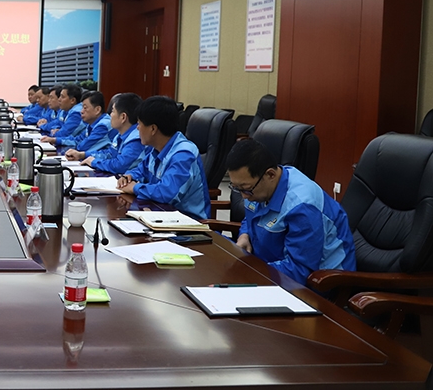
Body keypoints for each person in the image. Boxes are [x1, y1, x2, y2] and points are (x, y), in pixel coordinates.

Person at [226, 139, 356, 285]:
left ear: (270, 175)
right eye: (237, 188)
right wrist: (244, 235)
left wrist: (251, 271)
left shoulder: (302, 207)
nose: (243, 196)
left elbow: (300, 271)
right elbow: (253, 217)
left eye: (245, 189)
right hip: (270, 266)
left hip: (318, 285)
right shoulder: (257, 187)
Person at [117, 95, 210, 219]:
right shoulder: (157, 148)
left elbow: (167, 193)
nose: (137, 128)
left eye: (139, 124)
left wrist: (135, 188)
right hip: (161, 215)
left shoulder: (183, 154)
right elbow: (141, 170)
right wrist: (129, 176)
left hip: (188, 223)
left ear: (153, 129)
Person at [67, 92, 145, 175]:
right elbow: (109, 154)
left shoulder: (136, 139)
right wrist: (83, 155)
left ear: (123, 117)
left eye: (113, 111)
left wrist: (94, 162)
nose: (110, 115)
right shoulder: (120, 134)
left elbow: (119, 165)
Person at [45, 90, 111, 152]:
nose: (81, 111)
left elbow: (84, 147)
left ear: (97, 110)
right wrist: (55, 140)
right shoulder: (91, 124)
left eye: (85, 108)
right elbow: (77, 140)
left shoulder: (103, 126)